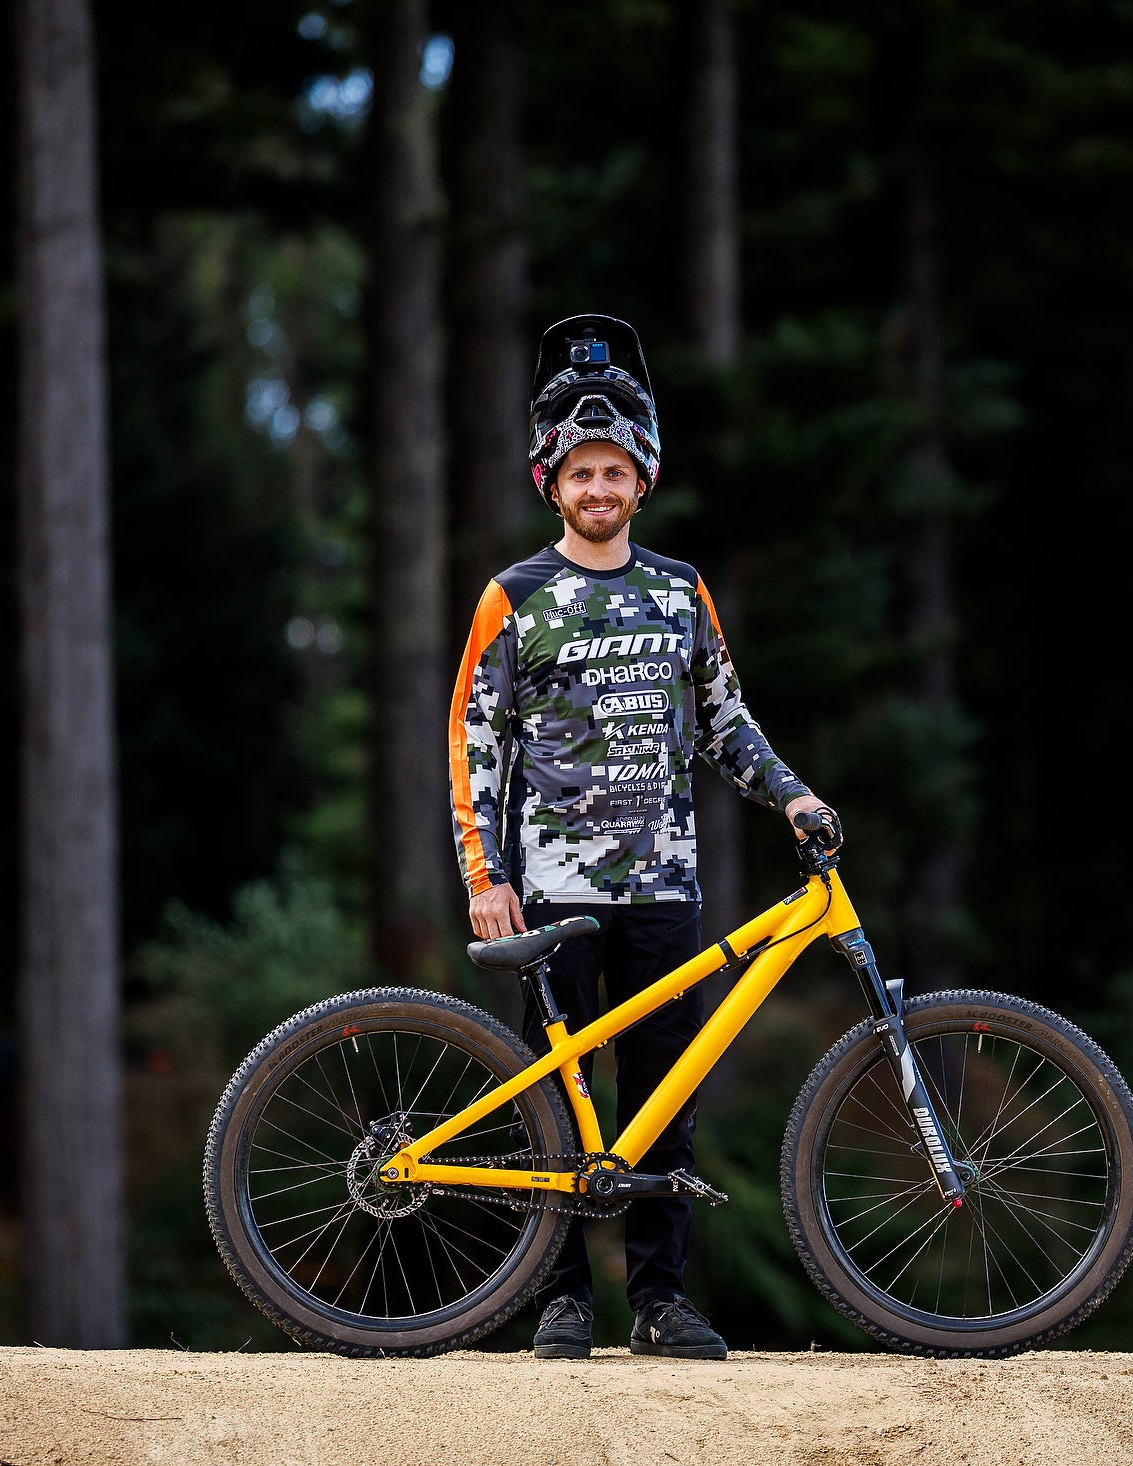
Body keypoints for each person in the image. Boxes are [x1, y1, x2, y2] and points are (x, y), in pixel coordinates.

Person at [447, 315, 830, 1361]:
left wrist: (793, 797)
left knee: (667, 1100)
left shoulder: (679, 590)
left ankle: (660, 1301)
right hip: (551, 891)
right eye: (581, 472)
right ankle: (561, 1301)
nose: (599, 487)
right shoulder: (513, 598)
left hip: (664, 889)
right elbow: (474, 743)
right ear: (552, 482)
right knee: (551, 1109)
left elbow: (726, 723)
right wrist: (484, 875)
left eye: (615, 470)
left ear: (642, 479)